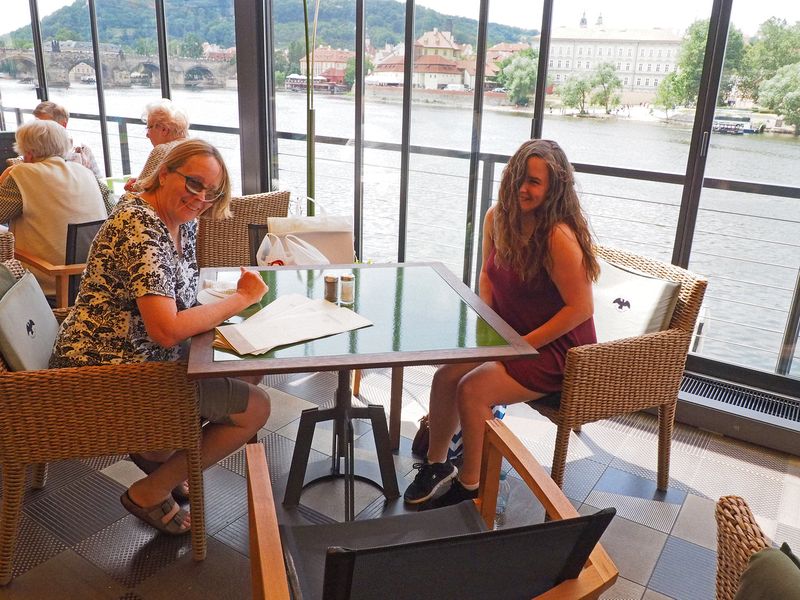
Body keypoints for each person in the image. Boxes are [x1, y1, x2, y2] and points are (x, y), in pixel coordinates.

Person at [50, 139, 271, 535]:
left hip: (129, 355)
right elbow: (166, 330)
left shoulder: (177, 219)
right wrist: (240, 299)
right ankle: (150, 489)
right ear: (165, 172)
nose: (201, 197)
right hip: (105, 374)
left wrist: (229, 312)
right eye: (194, 183)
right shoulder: (141, 227)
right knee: (255, 408)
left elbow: (178, 300)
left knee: (245, 370)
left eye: (211, 191)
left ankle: (161, 455)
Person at [403, 139, 599, 509]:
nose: (522, 188)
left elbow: (580, 309)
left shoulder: (557, 236)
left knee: (473, 390)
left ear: (554, 187)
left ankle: (471, 485)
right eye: (517, 177)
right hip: (509, 335)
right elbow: (488, 276)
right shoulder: (498, 217)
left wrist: (521, 344)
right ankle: (436, 464)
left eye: (534, 182)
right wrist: (487, 324)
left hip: (555, 350)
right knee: (445, 375)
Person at [0, 120, 107, 297]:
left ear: (29, 152)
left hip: (47, 284)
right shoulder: (86, 173)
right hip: (92, 280)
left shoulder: (22, 174)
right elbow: (110, 211)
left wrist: (4, 176)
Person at [124, 98, 189, 192]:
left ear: (164, 130)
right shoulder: (193, 147)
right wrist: (141, 181)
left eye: (148, 127)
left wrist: (133, 186)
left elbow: (141, 190)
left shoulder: (162, 150)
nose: (147, 134)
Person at [33, 101, 103, 179]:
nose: (38, 131)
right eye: (36, 125)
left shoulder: (82, 149)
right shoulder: (34, 150)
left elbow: (98, 180)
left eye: (45, 126)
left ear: (63, 125)